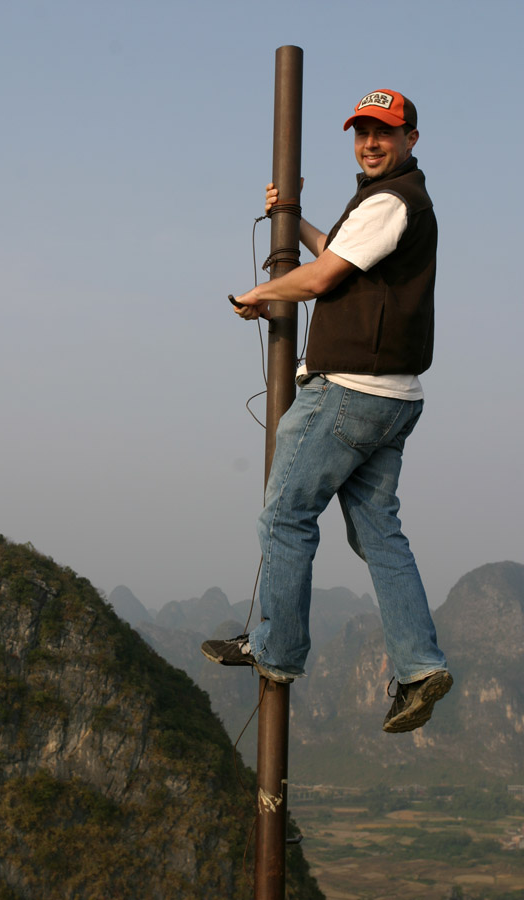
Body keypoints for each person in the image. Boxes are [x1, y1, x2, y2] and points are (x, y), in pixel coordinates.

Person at [201, 89, 452, 734]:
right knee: (377, 532)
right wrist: (296, 219)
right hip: (394, 400)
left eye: (385, 133)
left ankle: (276, 649)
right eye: (363, 132)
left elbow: (317, 281)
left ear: (411, 139)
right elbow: (340, 260)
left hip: (348, 391)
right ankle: (420, 665)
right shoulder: (393, 205)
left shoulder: (392, 199)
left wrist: (258, 293)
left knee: (286, 514)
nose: (372, 143)